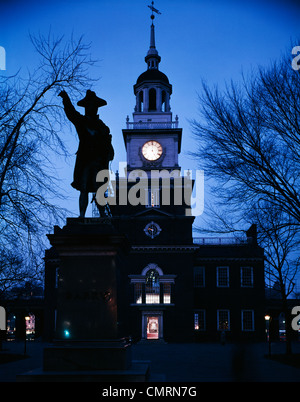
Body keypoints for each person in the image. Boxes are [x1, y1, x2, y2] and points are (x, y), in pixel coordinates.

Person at [59, 90, 114, 217]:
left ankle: (102, 214)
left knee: (99, 188)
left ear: (96, 108)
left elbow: (108, 144)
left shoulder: (102, 126)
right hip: (85, 161)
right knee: (83, 188)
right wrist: (65, 99)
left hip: (98, 161)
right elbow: (71, 113)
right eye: (88, 105)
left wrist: (109, 152)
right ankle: (82, 215)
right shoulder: (82, 122)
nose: (90, 108)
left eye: (93, 106)